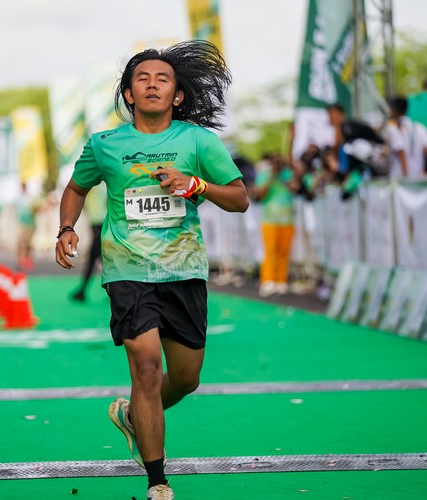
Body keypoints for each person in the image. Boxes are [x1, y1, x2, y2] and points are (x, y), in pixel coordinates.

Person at [55, 40, 249, 499]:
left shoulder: (198, 142)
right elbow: (76, 187)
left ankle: (132, 415)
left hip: (184, 269)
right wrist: (66, 228)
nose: (152, 85)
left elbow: (239, 198)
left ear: (177, 95)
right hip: (127, 268)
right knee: (145, 367)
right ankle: (157, 481)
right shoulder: (105, 144)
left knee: (185, 378)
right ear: (128, 94)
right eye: (141, 78)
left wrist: (196, 184)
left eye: (162, 79)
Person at [250, 153, 298, 297]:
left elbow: (295, 188)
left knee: (284, 252)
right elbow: (259, 195)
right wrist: (271, 177)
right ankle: (267, 280)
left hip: (287, 220)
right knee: (270, 251)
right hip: (269, 220)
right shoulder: (265, 175)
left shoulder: (288, 175)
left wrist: (285, 178)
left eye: (280, 162)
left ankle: (281, 280)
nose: (278, 165)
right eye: (275, 162)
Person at [71, 182, 107, 302]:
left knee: (95, 258)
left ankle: (82, 291)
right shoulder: (102, 186)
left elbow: (77, 193)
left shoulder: (93, 185)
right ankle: (83, 290)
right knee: (102, 258)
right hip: (102, 223)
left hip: (99, 223)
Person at [384, 95, 427, 180]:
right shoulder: (421, 128)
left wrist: (406, 175)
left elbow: (401, 151)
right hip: (418, 178)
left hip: (399, 178)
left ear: (394, 109)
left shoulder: (392, 128)